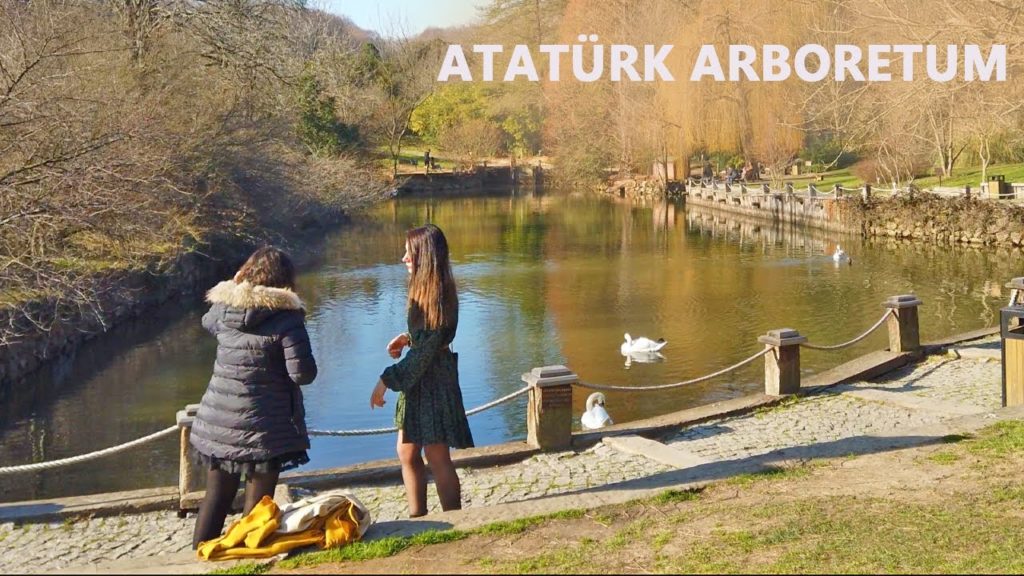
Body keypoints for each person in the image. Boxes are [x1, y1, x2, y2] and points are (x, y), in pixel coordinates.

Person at [189, 246, 317, 549]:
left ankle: (199, 556)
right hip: (264, 425)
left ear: (245, 273)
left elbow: (207, 320)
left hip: (219, 420)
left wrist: (233, 287)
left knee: (216, 495)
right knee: (259, 503)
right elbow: (303, 374)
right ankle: (248, 556)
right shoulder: (288, 318)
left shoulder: (223, 311)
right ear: (286, 281)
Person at [370, 224, 473, 517]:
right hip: (421, 380)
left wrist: (385, 380)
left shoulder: (438, 293)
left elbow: (429, 347)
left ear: (424, 256)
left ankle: (456, 519)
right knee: (407, 452)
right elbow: (427, 339)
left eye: (409, 252)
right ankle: (418, 518)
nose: (404, 258)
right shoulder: (425, 287)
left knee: (437, 454)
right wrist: (407, 337)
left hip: (434, 381)